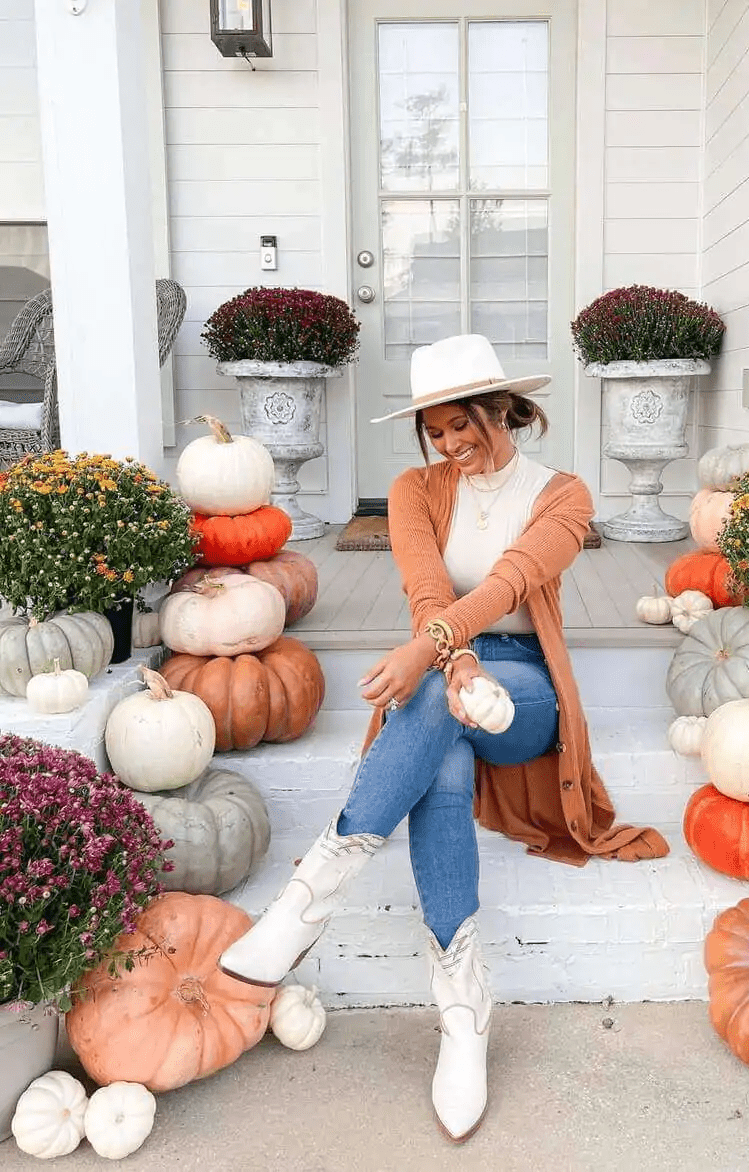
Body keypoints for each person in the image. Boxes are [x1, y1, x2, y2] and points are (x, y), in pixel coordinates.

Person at [219, 334, 670, 1143]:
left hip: (526, 683)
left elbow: (509, 583)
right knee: (444, 747)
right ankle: (462, 1016)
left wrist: (435, 653)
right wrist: (453, 663)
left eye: (466, 425)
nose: (453, 445)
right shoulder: (411, 489)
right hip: (448, 672)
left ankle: (306, 900)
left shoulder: (563, 494)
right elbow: (425, 585)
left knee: (447, 700)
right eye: (437, 431)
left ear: (506, 411)